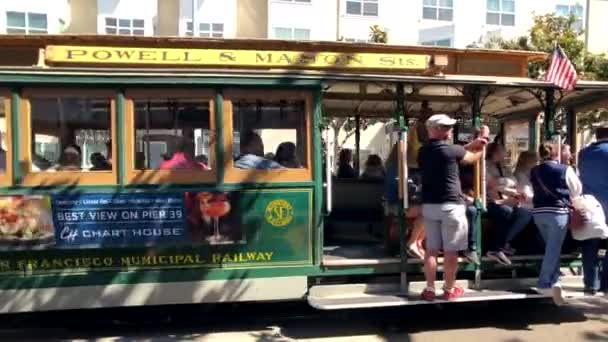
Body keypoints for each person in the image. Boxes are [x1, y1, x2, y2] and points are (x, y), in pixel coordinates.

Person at [418, 114, 489, 301]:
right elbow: (472, 158)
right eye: (446, 127)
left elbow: (456, 152)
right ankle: (449, 289)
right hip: (451, 206)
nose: (449, 130)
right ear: (437, 129)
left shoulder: (424, 151)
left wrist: (472, 143)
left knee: (431, 250)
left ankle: (430, 289)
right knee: (451, 251)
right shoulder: (451, 151)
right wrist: (484, 142)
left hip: (430, 205)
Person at [530, 141, 582, 305]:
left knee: (551, 248)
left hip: (539, 213)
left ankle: (555, 280)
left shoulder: (534, 170)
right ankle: (544, 283)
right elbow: (577, 189)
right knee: (553, 249)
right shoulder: (565, 169)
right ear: (556, 153)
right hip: (557, 213)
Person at [485, 143, 533, 265]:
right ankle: (495, 248)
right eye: (503, 150)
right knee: (505, 211)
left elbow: (513, 181)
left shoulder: (504, 167)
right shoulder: (485, 165)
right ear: (495, 152)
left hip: (506, 199)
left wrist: (510, 190)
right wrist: (505, 184)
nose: (506, 153)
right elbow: (490, 183)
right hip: (489, 200)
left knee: (525, 213)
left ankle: (505, 243)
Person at [578, 125, 608, 296]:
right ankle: (606, 284)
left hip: (590, 205)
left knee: (590, 245)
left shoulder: (584, 153)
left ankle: (591, 284)